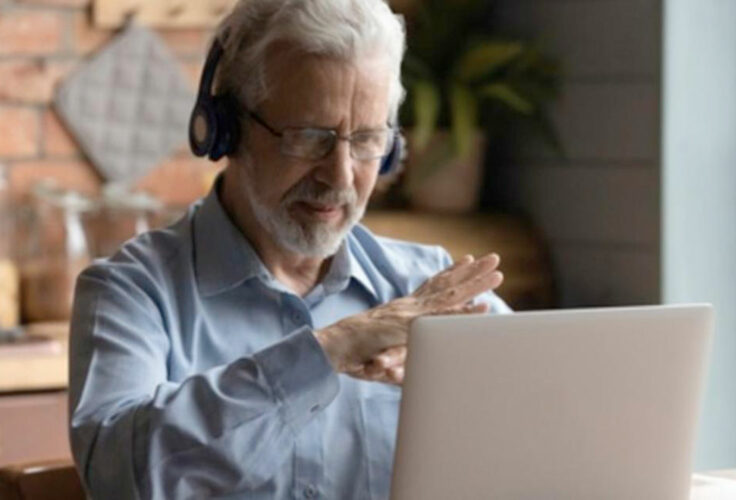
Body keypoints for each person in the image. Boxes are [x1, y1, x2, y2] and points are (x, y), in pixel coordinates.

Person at [68, 0, 511, 498]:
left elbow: (547, 433)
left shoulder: (429, 286)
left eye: (366, 140)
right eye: (308, 137)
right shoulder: (131, 292)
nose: (340, 177)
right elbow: (115, 475)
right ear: (226, 128)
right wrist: (330, 349)